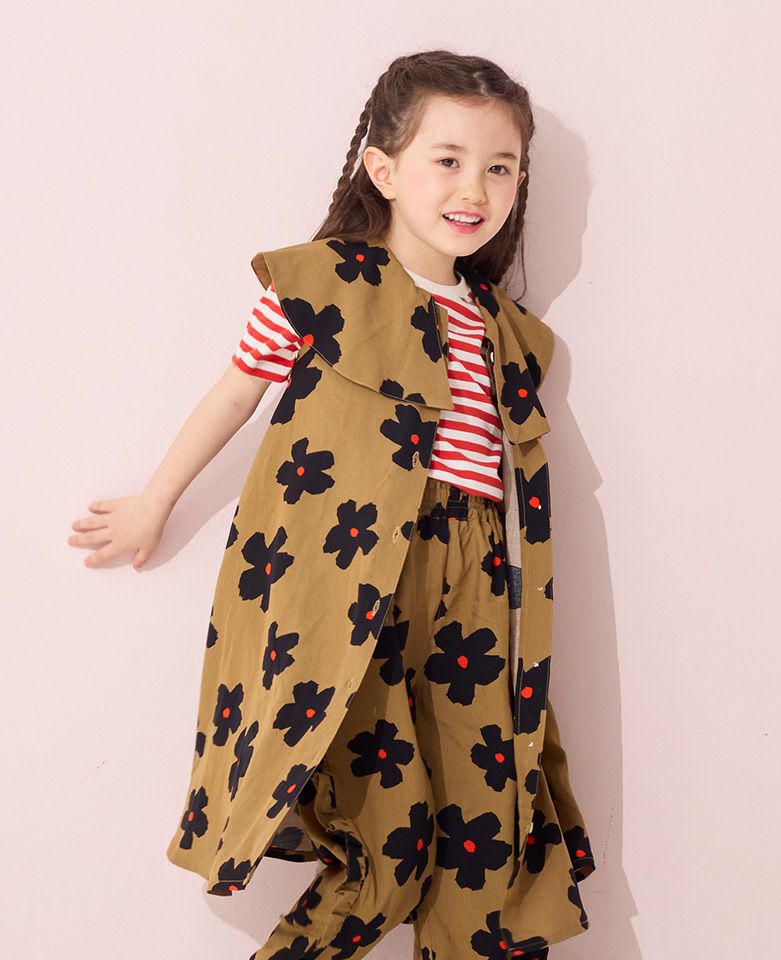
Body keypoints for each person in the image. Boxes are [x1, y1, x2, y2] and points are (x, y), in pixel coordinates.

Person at [67, 49, 595, 960]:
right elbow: (235, 394)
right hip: (356, 587)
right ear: (383, 170)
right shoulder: (325, 286)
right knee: (387, 848)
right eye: (448, 159)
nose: (475, 188)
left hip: (475, 590)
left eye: (501, 167)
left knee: (485, 837)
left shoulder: (509, 334)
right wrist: (155, 501)